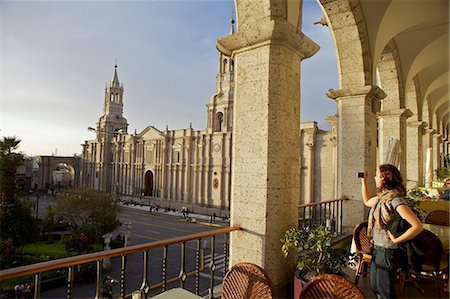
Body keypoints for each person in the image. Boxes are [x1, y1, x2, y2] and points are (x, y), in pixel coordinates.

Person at [360, 164, 423, 299]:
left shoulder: (394, 199)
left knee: (385, 292)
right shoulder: (383, 197)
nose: (375, 178)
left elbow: (417, 226)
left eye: (377, 175)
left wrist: (396, 240)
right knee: (376, 287)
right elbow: (367, 201)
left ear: (384, 178)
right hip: (377, 248)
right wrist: (363, 182)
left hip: (388, 250)